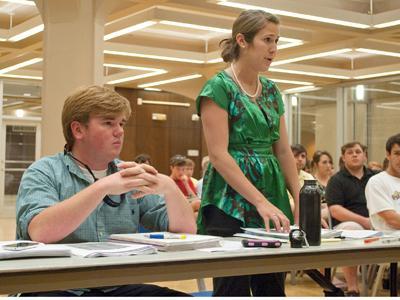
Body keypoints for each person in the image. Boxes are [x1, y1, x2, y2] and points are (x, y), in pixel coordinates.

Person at [15, 85, 196, 297]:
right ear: (78, 130)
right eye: (108, 123)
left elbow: (185, 231)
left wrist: (169, 187)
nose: (119, 131)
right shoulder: (44, 172)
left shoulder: (130, 174)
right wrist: (102, 187)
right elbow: (40, 232)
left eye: (121, 123)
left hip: (117, 287)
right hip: (55, 287)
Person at [196, 10, 299, 296]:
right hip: (229, 198)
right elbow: (218, 155)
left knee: (271, 287)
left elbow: (282, 150)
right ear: (242, 40)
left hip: (272, 190)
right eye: (267, 40)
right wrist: (260, 202)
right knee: (233, 287)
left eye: (277, 40)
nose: (274, 48)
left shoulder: (271, 91)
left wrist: (300, 198)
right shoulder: (218, 88)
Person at [325, 141, 376, 296]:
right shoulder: (336, 180)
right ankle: (353, 289)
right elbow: (335, 210)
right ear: (343, 158)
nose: (354, 154)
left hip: (378, 224)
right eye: (350, 152)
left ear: (365, 156)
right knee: (352, 230)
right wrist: (364, 221)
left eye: (358, 152)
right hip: (347, 227)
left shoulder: (375, 178)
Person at [366, 133, 400, 231]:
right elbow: (392, 219)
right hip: (390, 241)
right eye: (397, 153)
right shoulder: (376, 182)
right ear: (388, 155)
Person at [311, 150, 334, 222]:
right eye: (324, 162)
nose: (328, 165)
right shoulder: (311, 181)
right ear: (315, 164)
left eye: (330, 162)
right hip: (318, 213)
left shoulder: (335, 181)